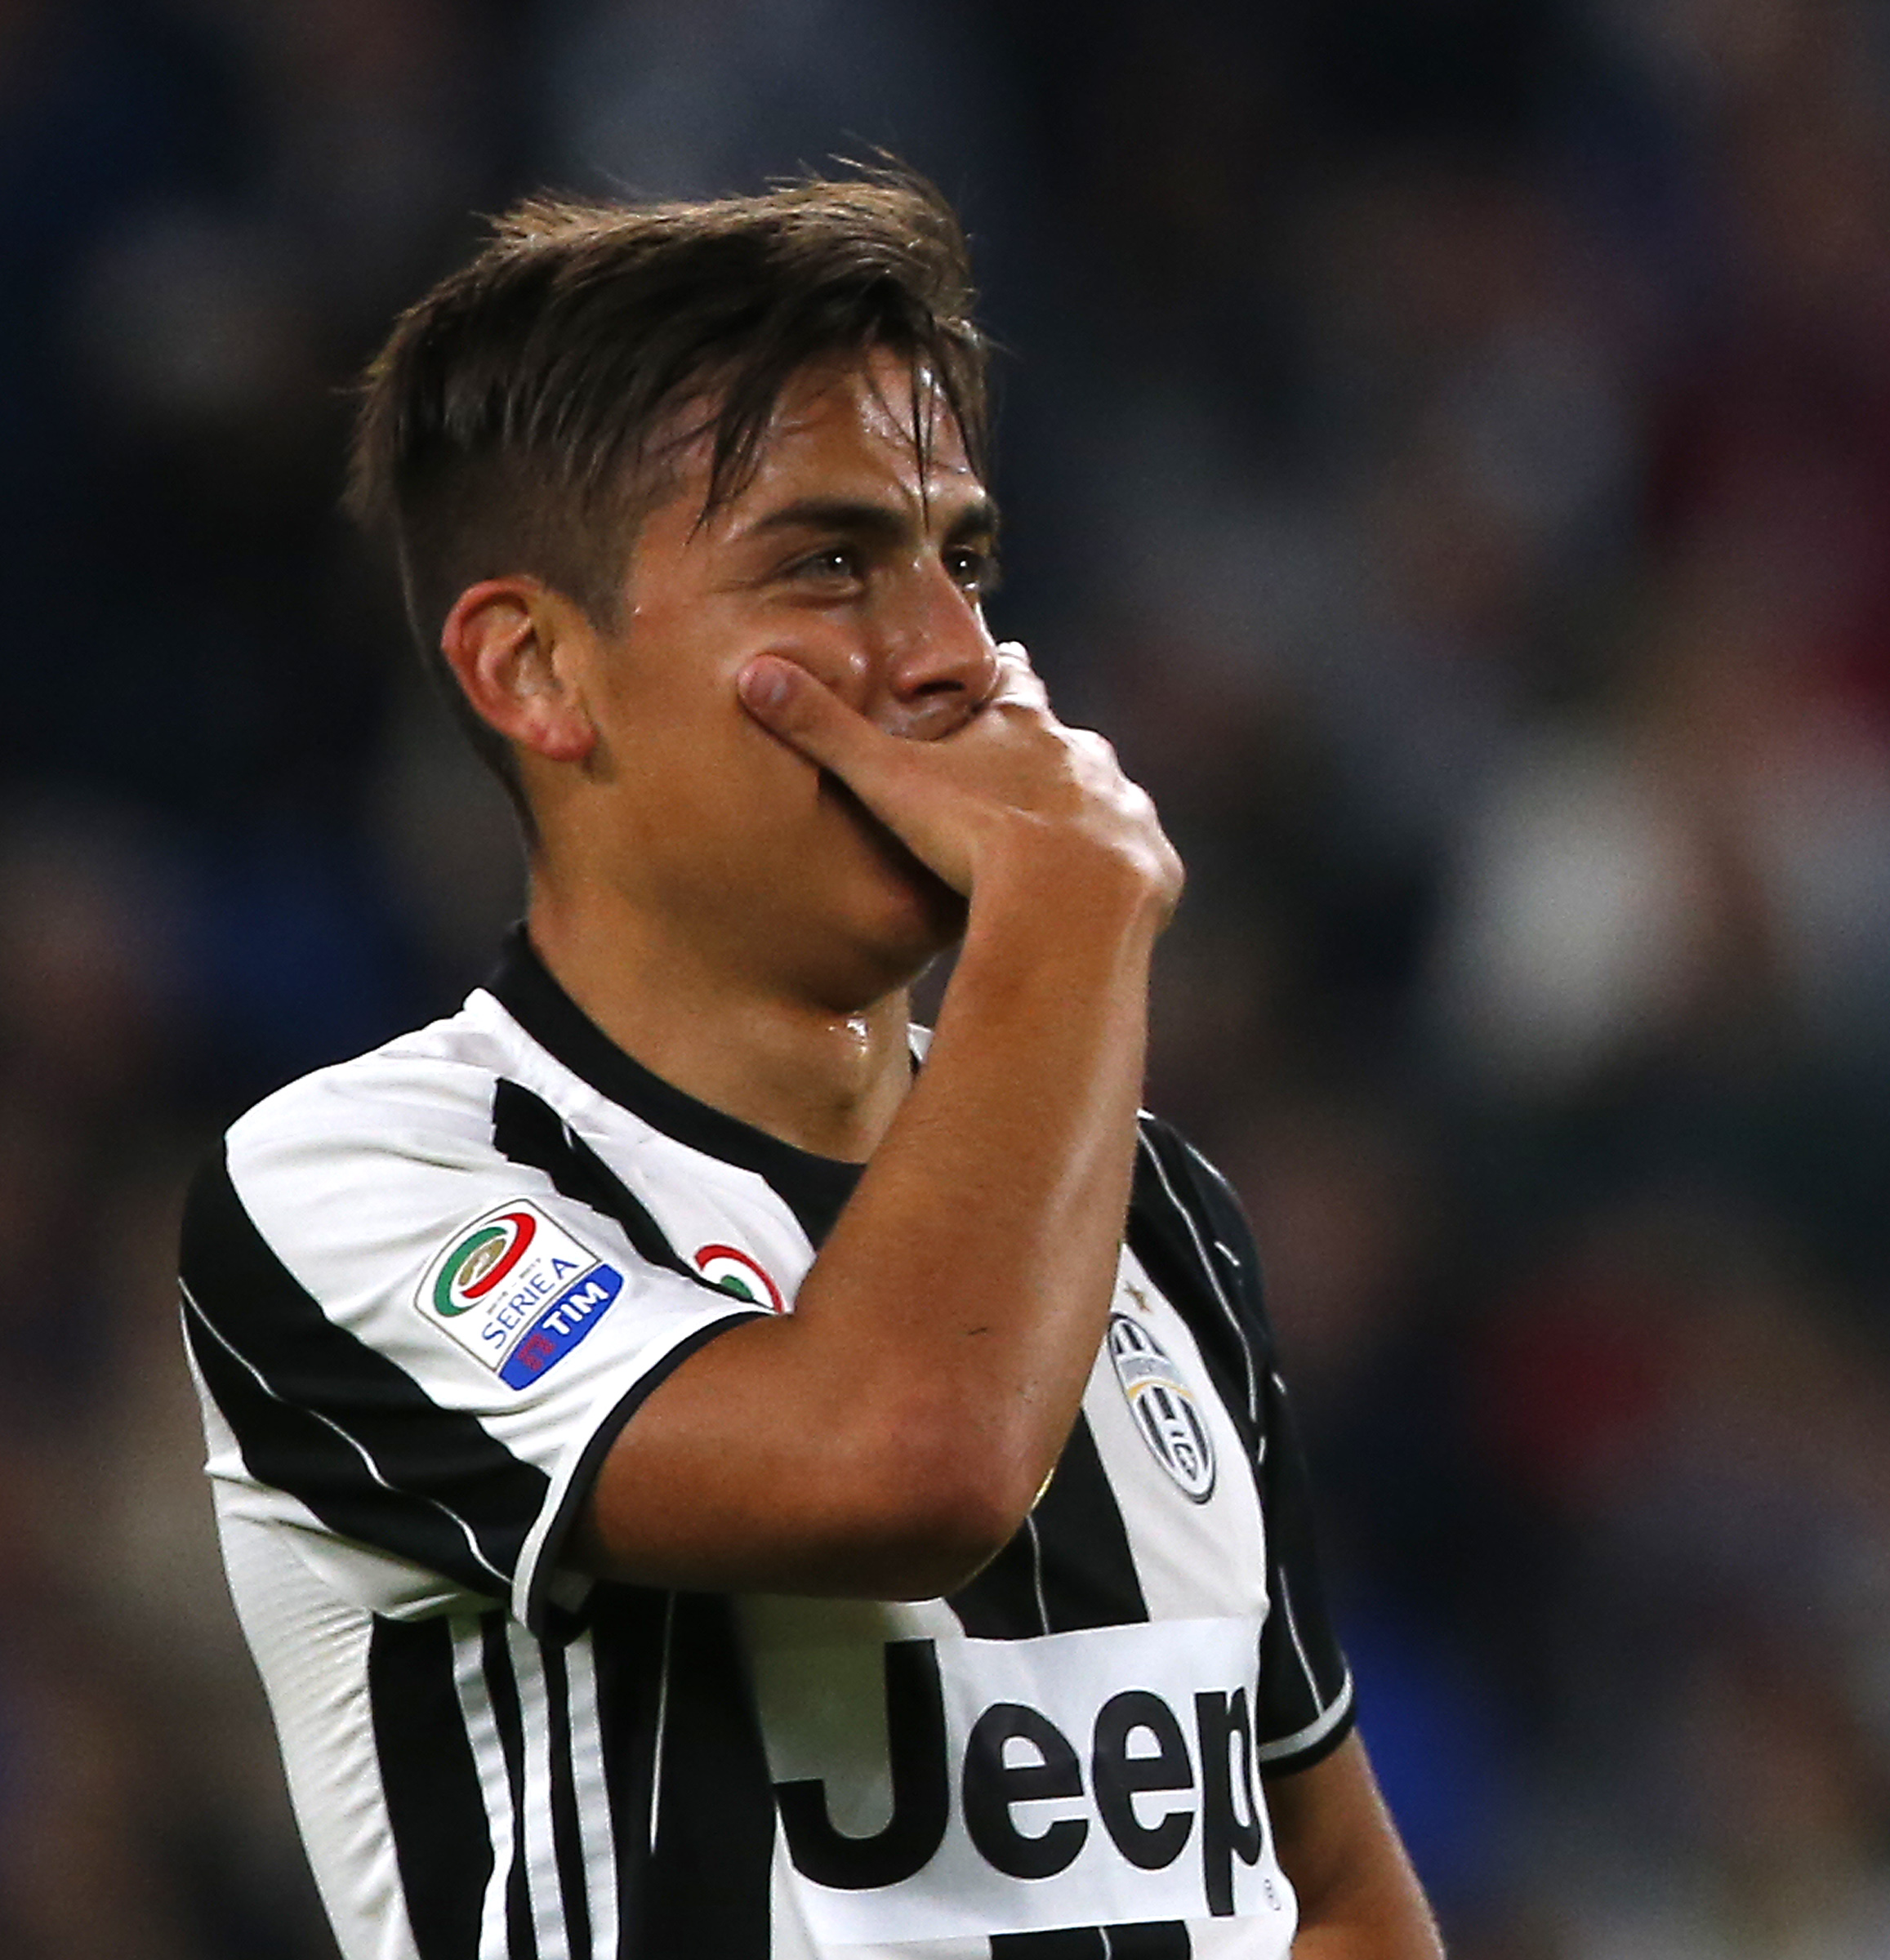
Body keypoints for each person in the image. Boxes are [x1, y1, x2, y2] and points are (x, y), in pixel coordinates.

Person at [176, 169, 1442, 1960]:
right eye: (831, 562)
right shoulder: (368, 1187)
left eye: (968, 560)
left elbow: (1328, 1899)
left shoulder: (1152, 1209)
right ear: (536, 669)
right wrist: (1066, 911)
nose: (957, 658)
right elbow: (909, 1460)